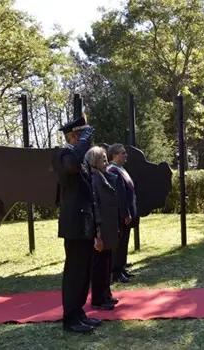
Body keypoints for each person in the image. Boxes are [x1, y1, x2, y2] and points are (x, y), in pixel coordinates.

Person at [52, 115, 102, 333]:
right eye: (82, 137)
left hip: (86, 223)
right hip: (74, 224)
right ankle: (69, 318)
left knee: (83, 271)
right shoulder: (63, 155)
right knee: (74, 272)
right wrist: (84, 143)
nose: (86, 141)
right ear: (72, 137)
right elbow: (71, 166)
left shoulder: (80, 159)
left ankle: (78, 311)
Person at [85, 146, 123, 311]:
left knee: (107, 263)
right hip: (101, 230)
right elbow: (96, 207)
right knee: (100, 265)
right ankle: (98, 299)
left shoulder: (103, 176)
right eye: (103, 159)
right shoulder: (94, 179)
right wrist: (98, 234)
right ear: (94, 162)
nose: (106, 162)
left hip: (109, 228)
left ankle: (106, 294)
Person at [107, 143, 137, 284]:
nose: (126, 155)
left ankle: (121, 268)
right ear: (114, 156)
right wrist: (125, 214)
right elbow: (120, 195)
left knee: (124, 242)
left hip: (127, 213)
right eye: (123, 153)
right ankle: (116, 272)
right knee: (119, 244)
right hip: (120, 215)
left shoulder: (121, 169)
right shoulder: (113, 170)